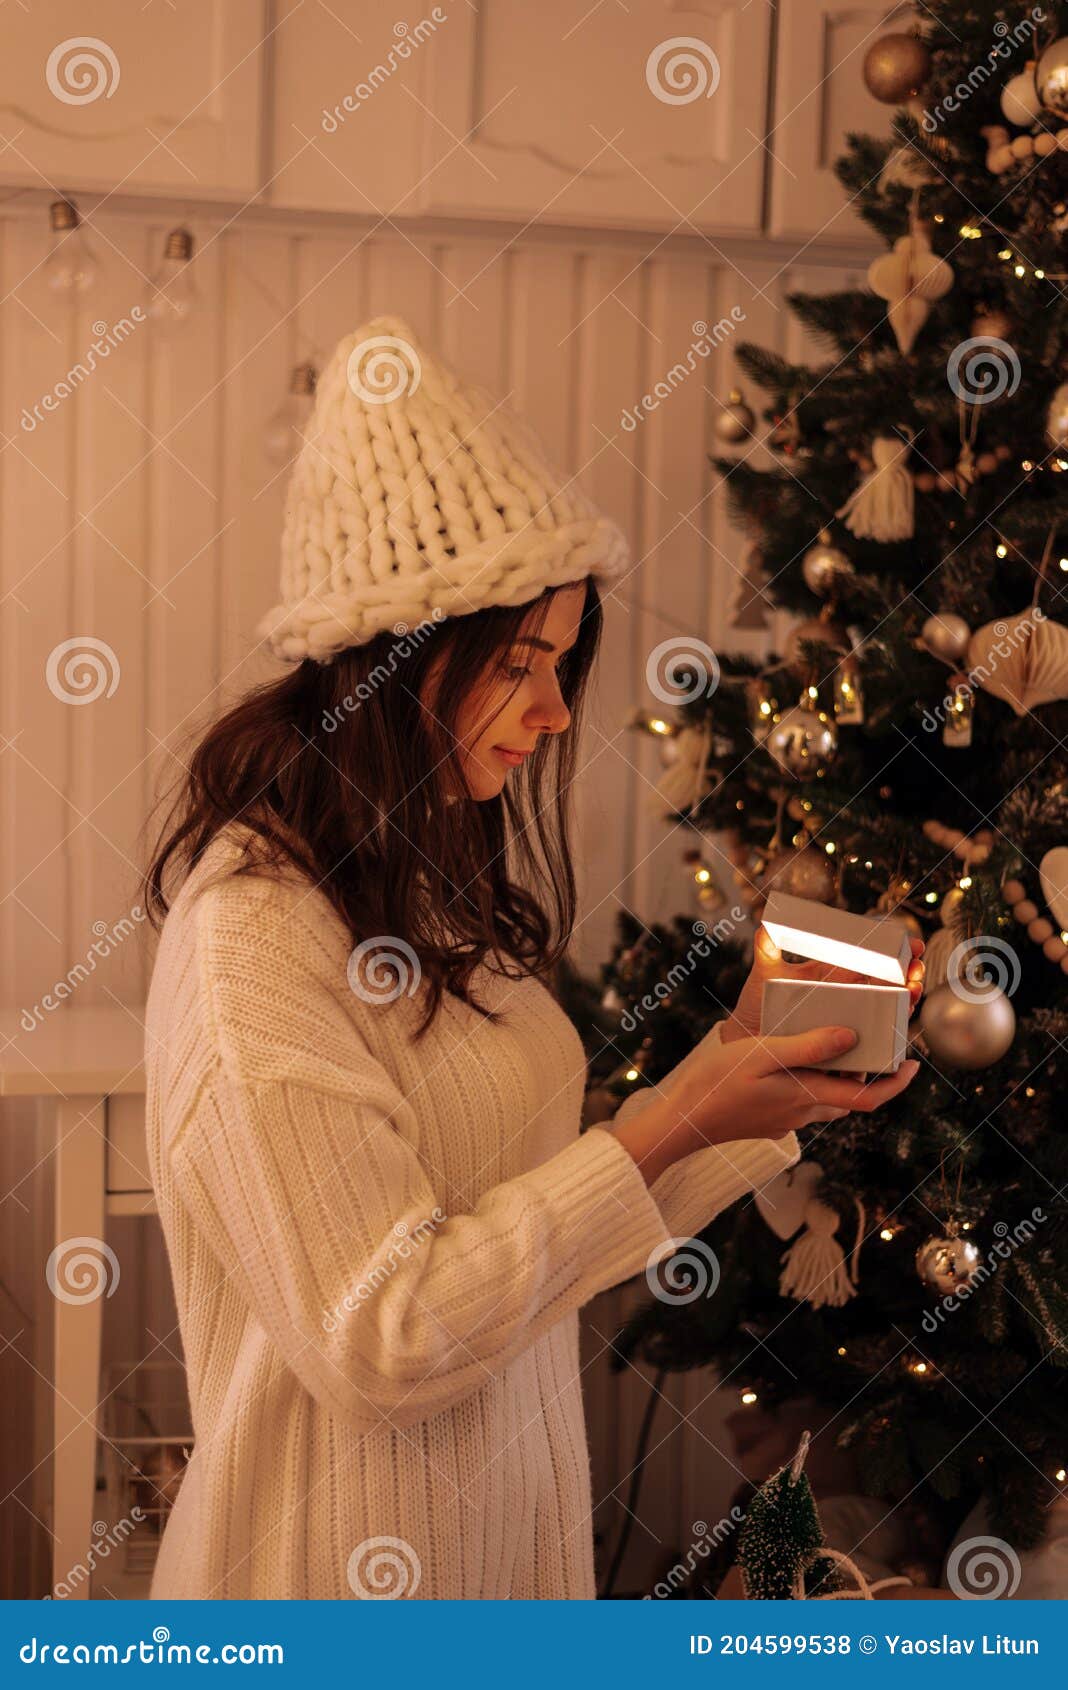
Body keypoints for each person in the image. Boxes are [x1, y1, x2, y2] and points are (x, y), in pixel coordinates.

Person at [141, 317, 922, 1600]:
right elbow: (385, 1336)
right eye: (518, 667)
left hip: (507, 1565)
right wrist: (671, 1117)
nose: (559, 712)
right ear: (391, 672)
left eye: (560, 664)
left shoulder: (427, 887)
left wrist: (737, 1091)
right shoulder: (254, 940)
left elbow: (534, 1215)